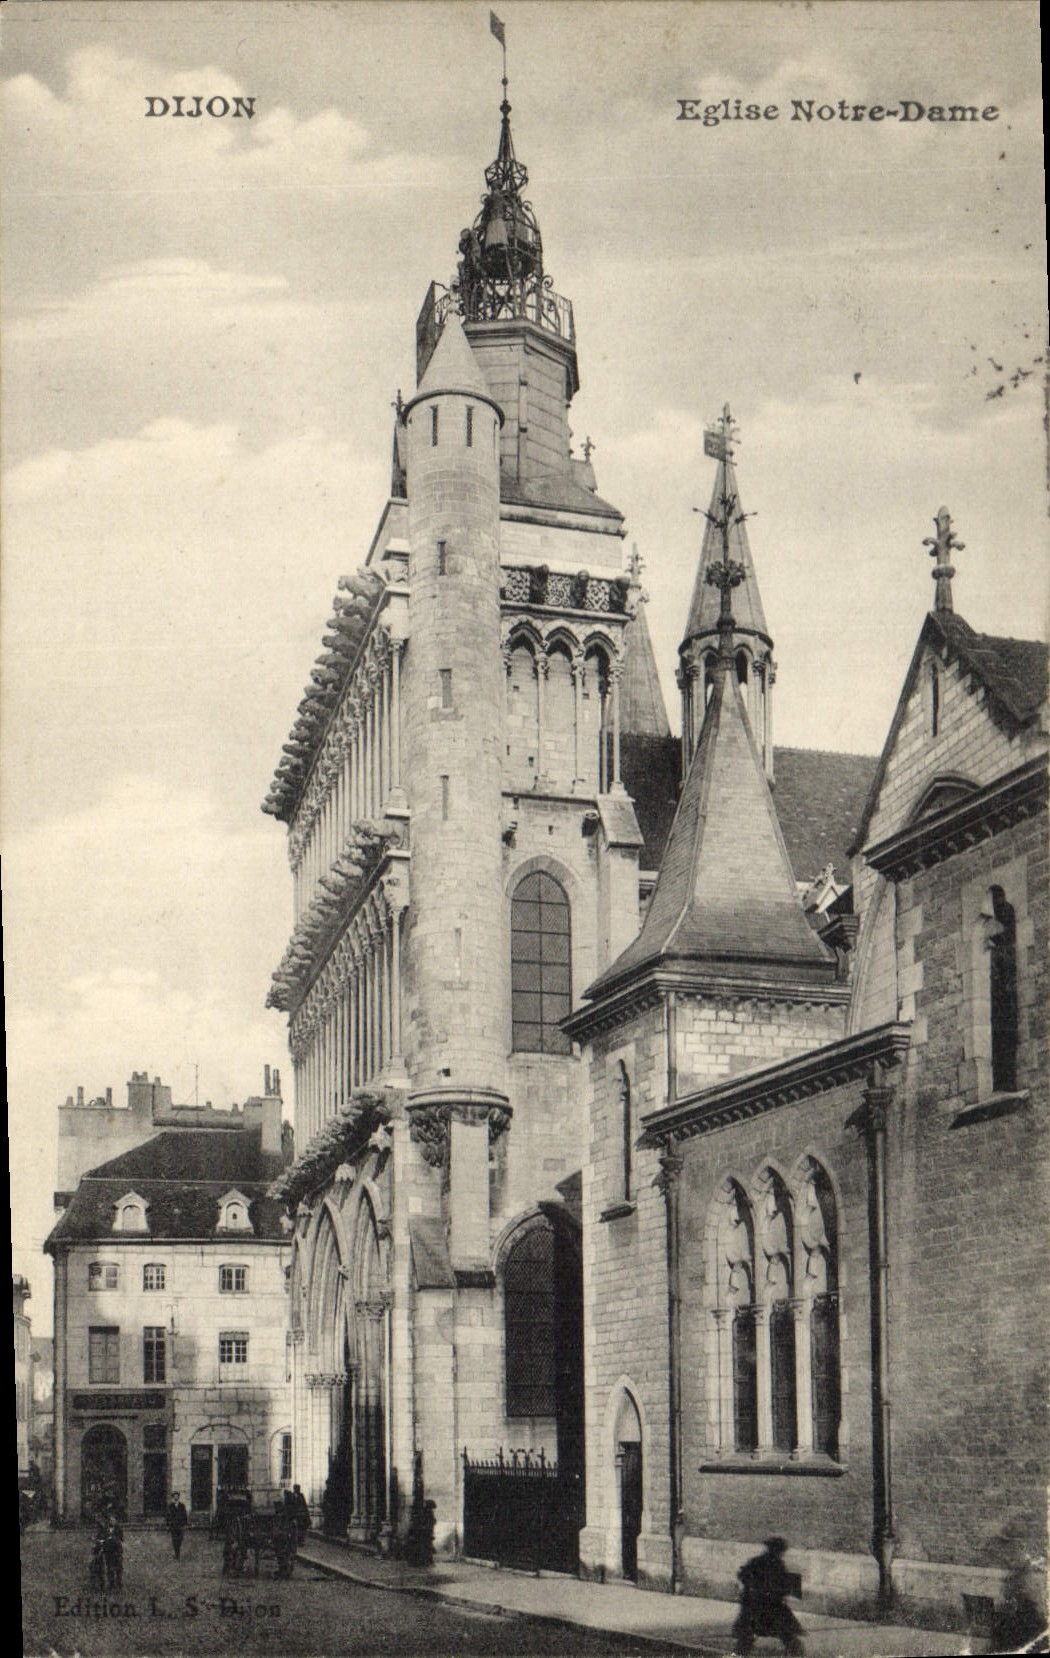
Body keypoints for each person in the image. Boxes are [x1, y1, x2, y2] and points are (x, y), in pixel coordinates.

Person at [732, 1537, 805, 1656]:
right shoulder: (774, 1563)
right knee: (785, 1633)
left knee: (749, 1635)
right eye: (780, 1550)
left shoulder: (759, 1561)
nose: (781, 1553)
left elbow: (743, 1575)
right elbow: (745, 1576)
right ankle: (797, 1654)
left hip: (759, 1603)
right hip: (766, 1604)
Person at [166, 1490, 189, 1559]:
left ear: (178, 1497)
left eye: (177, 1496)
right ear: (173, 1497)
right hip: (173, 1525)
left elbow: (185, 1515)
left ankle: (177, 1551)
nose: (176, 1497)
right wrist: (167, 1525)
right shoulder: (170, 1506)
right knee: (174, 1540)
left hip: (180, 1525)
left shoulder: (182, 1505)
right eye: (174, 1496)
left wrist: (185, 1524)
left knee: (180, 1539)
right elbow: (168, 1516)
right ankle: (177, 1554)